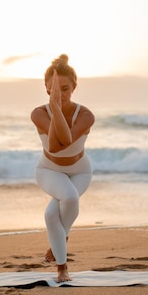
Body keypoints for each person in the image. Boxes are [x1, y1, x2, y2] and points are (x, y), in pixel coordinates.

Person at [31, 54, 95, 282]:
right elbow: (54, 147)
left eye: (65, 89)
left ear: (75, 87)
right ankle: (62, 266)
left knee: (51, 215)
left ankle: (60, 255)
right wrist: (55, 108)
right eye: (53, 91)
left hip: (80, 171)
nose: (60, 95)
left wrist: (57, 108)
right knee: (69, 198)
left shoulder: (86, 115)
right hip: (49, 170)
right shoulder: (38, 113)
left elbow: (67, 141)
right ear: (46, 89)